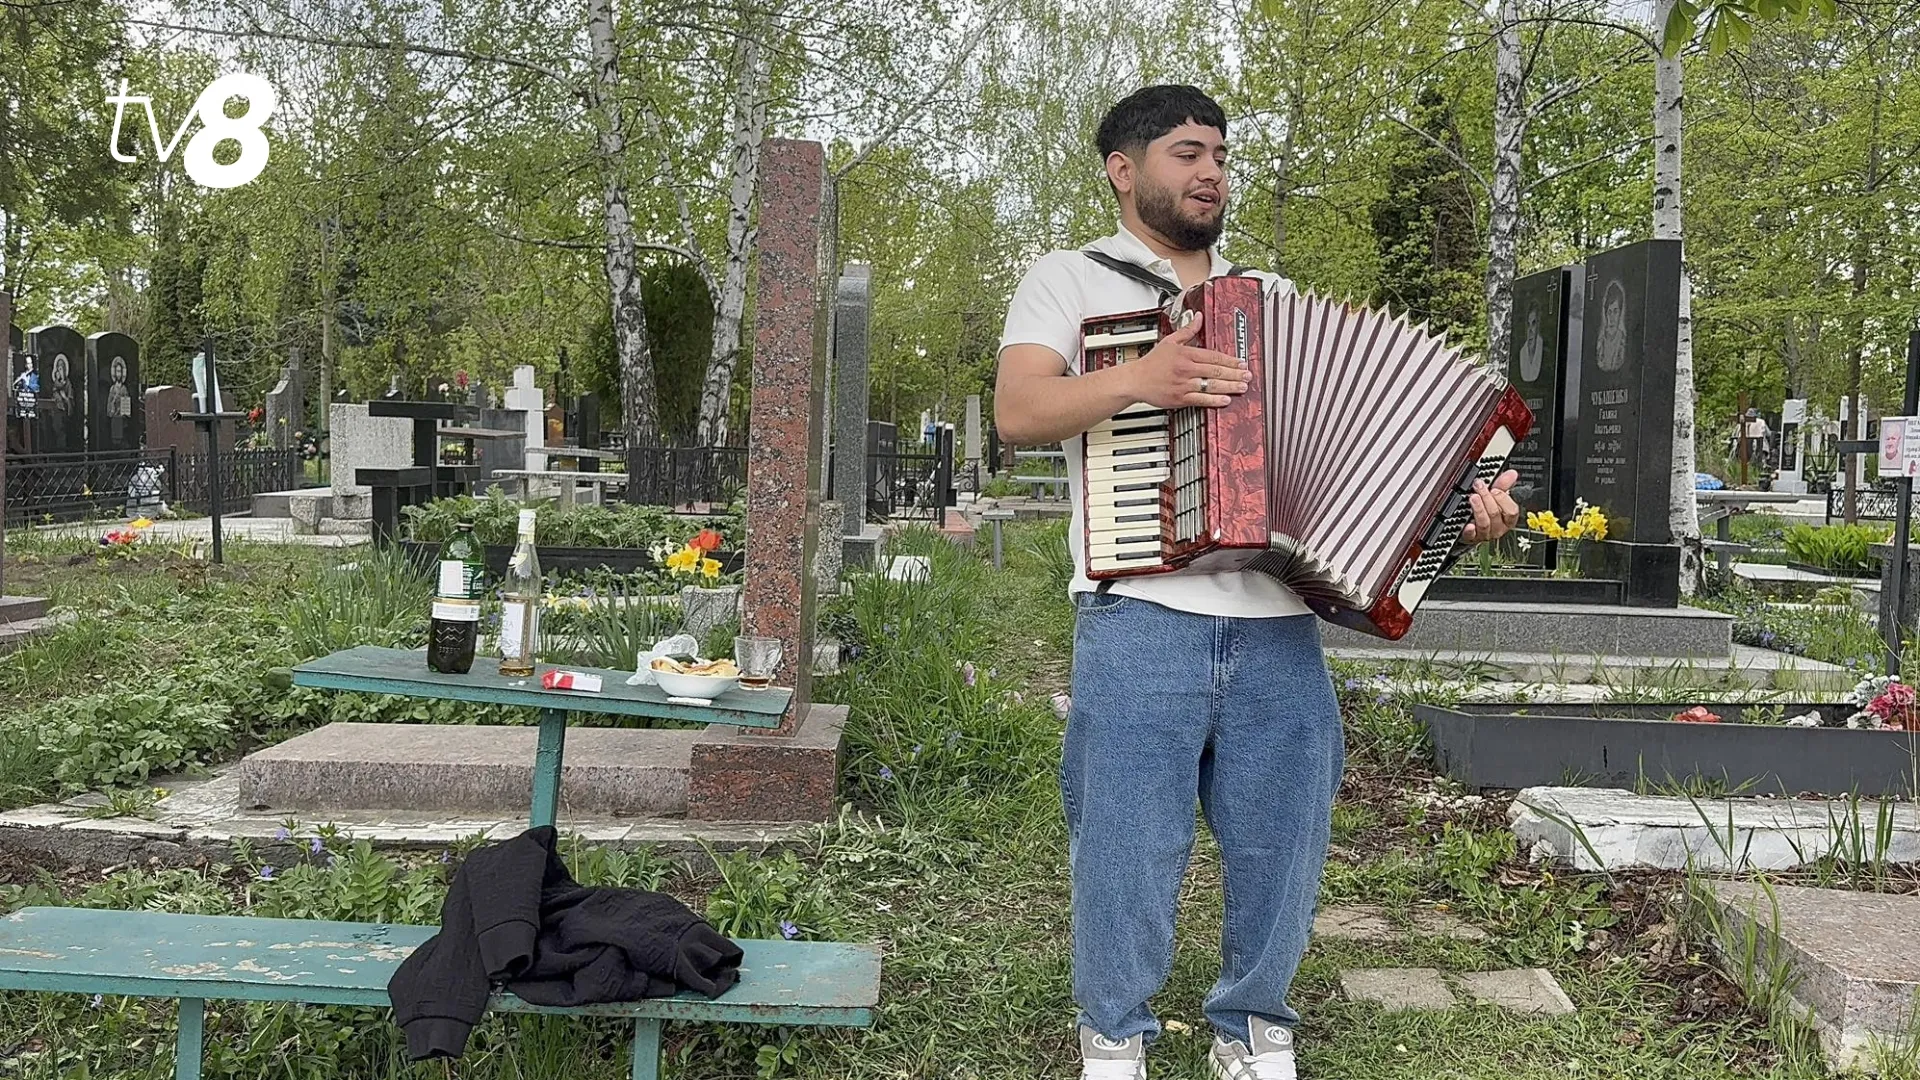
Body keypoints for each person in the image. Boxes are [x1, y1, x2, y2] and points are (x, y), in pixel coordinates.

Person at [993, 85, 1520, 1080]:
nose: (1211, 172)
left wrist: (1470, 498)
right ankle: (1114, 1032)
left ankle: (1253, 1028)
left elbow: (1372, 439)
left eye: (1221, 156)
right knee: (1125, 845)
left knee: (1284, 842)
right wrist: (1139, 380)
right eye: (1188, 153)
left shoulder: (1267, 299)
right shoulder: (1066, 281)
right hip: (1139, 610)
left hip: (1280, 621)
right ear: (1124, 167)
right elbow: (1020, 410)